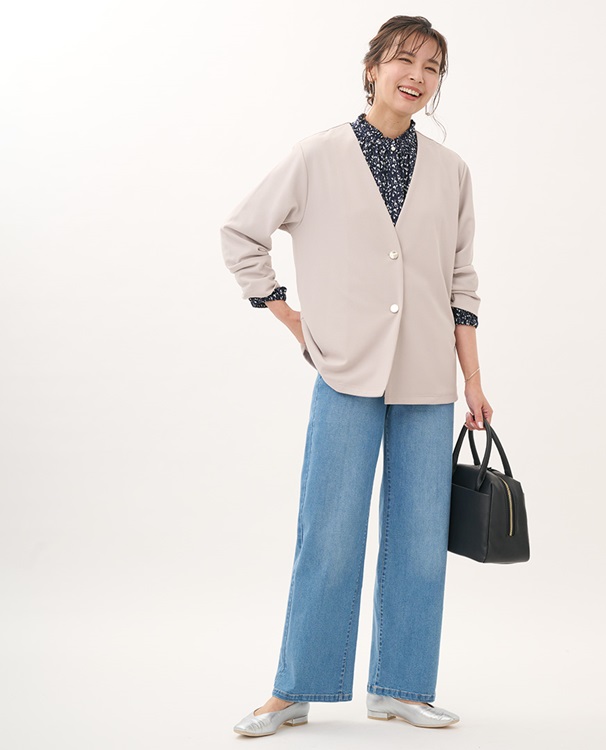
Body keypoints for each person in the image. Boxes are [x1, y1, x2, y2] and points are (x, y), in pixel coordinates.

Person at [220, 14, 492, 737]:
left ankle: (401, 686)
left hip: (428, 377)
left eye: (432, 67)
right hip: (345, 372)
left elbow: (461, 282)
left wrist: (473, 380)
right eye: (405, 59)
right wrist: (293, 319)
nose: (417, 76)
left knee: (420, 541)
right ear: (372, 68)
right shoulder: (317, 156)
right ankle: (295, 689)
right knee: (329, 535)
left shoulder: (452, 171)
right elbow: (242, 233)